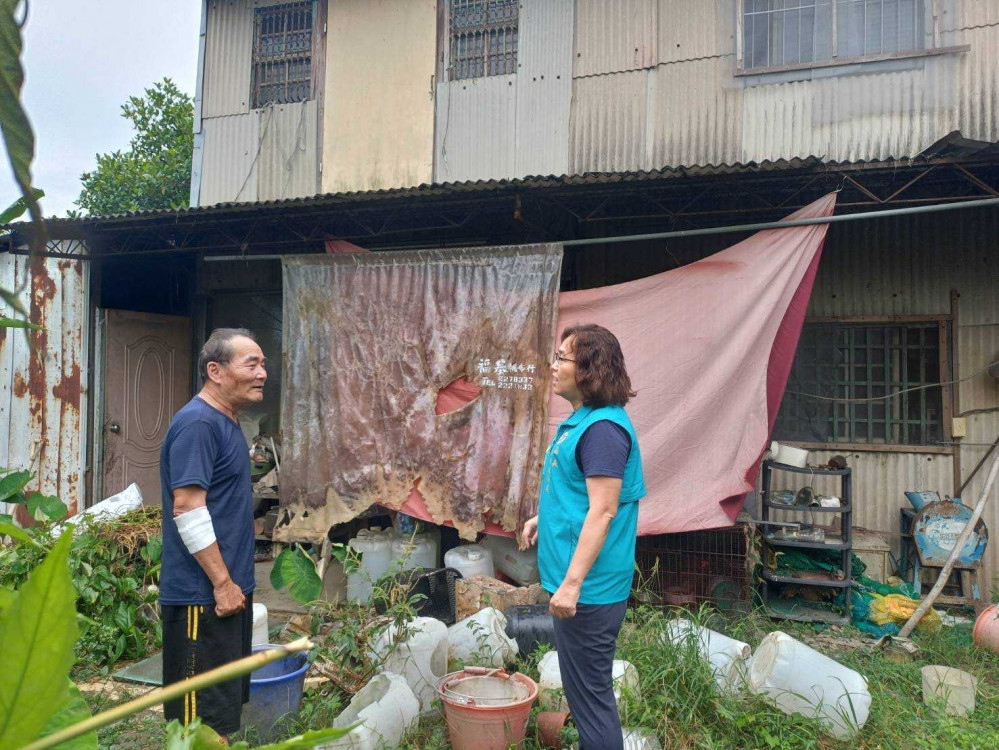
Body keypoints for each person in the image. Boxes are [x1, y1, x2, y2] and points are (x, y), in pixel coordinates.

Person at [521, 323, 646, 750]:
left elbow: (605, 509)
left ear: (589, 369)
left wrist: (571, 586)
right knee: (584, 694)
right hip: (579, 587)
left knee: (591, 700)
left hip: (589, 591)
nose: (553, 366)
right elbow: (581, 490)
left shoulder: (603, 431)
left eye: (561, 358)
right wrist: (544, 515)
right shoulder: (585, 421)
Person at [160, 328, 267, 739]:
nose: (262, 373)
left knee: (219, 716)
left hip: (228, 592)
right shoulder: (198, 424)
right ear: (215, 371)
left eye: (263, 364)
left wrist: (233, 584)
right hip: (201, 596)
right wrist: (222, 583)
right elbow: (186, 507)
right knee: (196, 723)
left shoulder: (225, 421)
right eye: (251, 363)